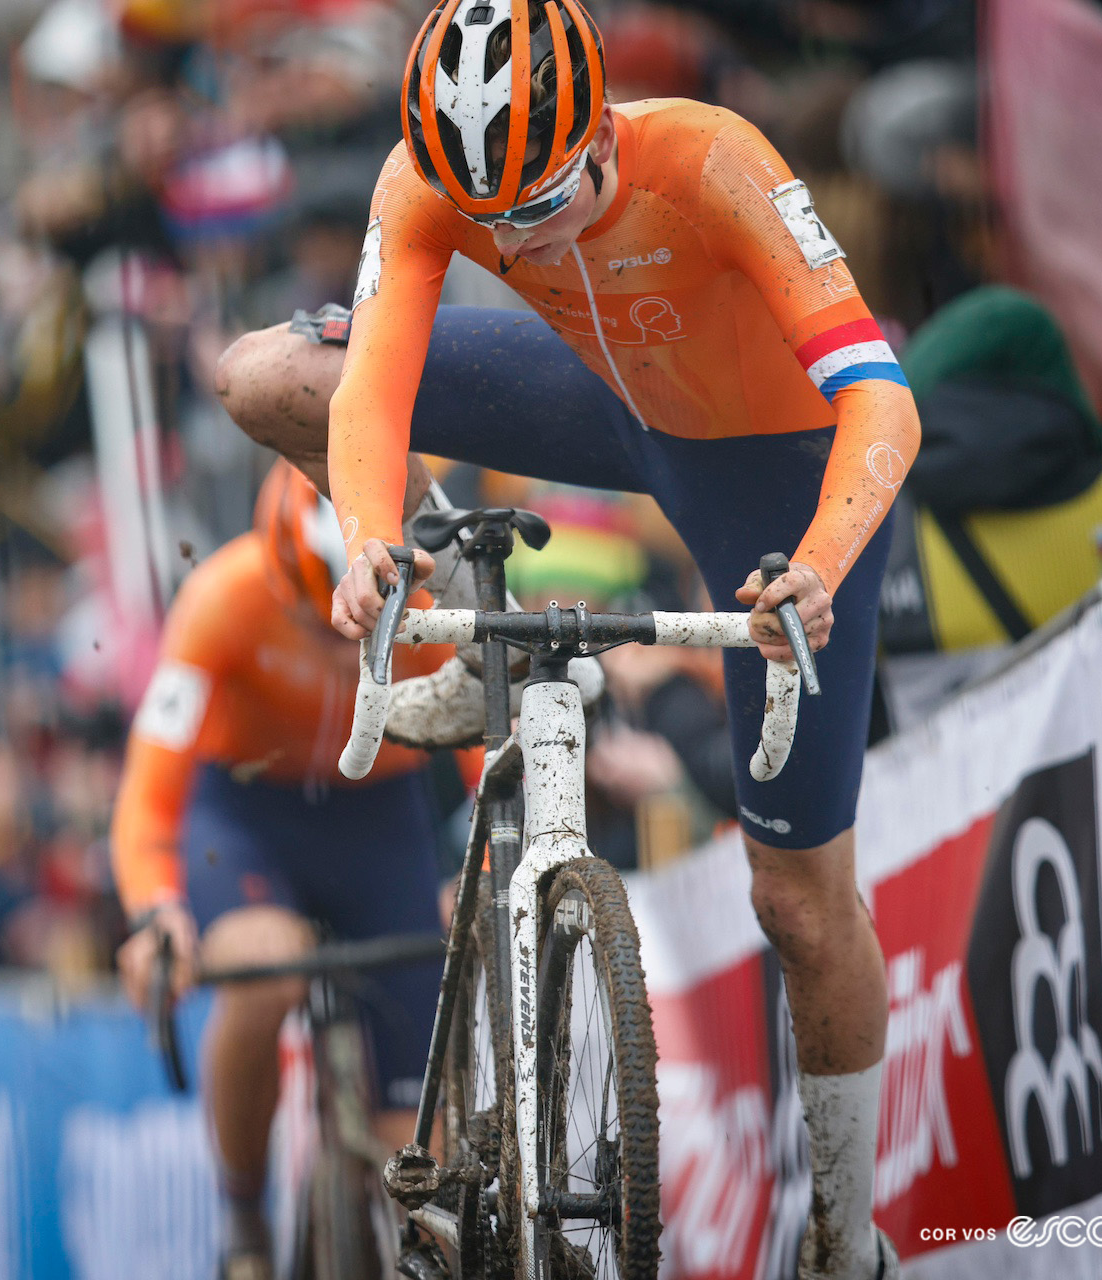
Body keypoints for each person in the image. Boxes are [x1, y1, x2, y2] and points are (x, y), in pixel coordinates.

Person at [213, 2, 920, 1275]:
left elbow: (881, 395)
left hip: (776, 467)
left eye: (543, 203)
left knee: (803, 907)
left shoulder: (714, 158)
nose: (517, 235)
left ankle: (845, 1232)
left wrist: (814, 568)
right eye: (494, 221)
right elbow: (372, 385)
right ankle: (452, 659)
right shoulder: (430, 178)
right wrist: (372, 536)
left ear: (599, 129)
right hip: (602, 393)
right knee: (264, 372)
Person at [112, 462, 469, 1280]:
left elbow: (490, 756)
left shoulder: (426, 599)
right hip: (247, 818)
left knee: (409, 1152)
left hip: (382, 821)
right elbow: (150, 782)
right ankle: (244, 1216)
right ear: (279, 570)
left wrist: (479, 868)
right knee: (260, 971)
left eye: (351, 626)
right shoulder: (222, 595)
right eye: (313, 622)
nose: (331, 644)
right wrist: (154, 909)